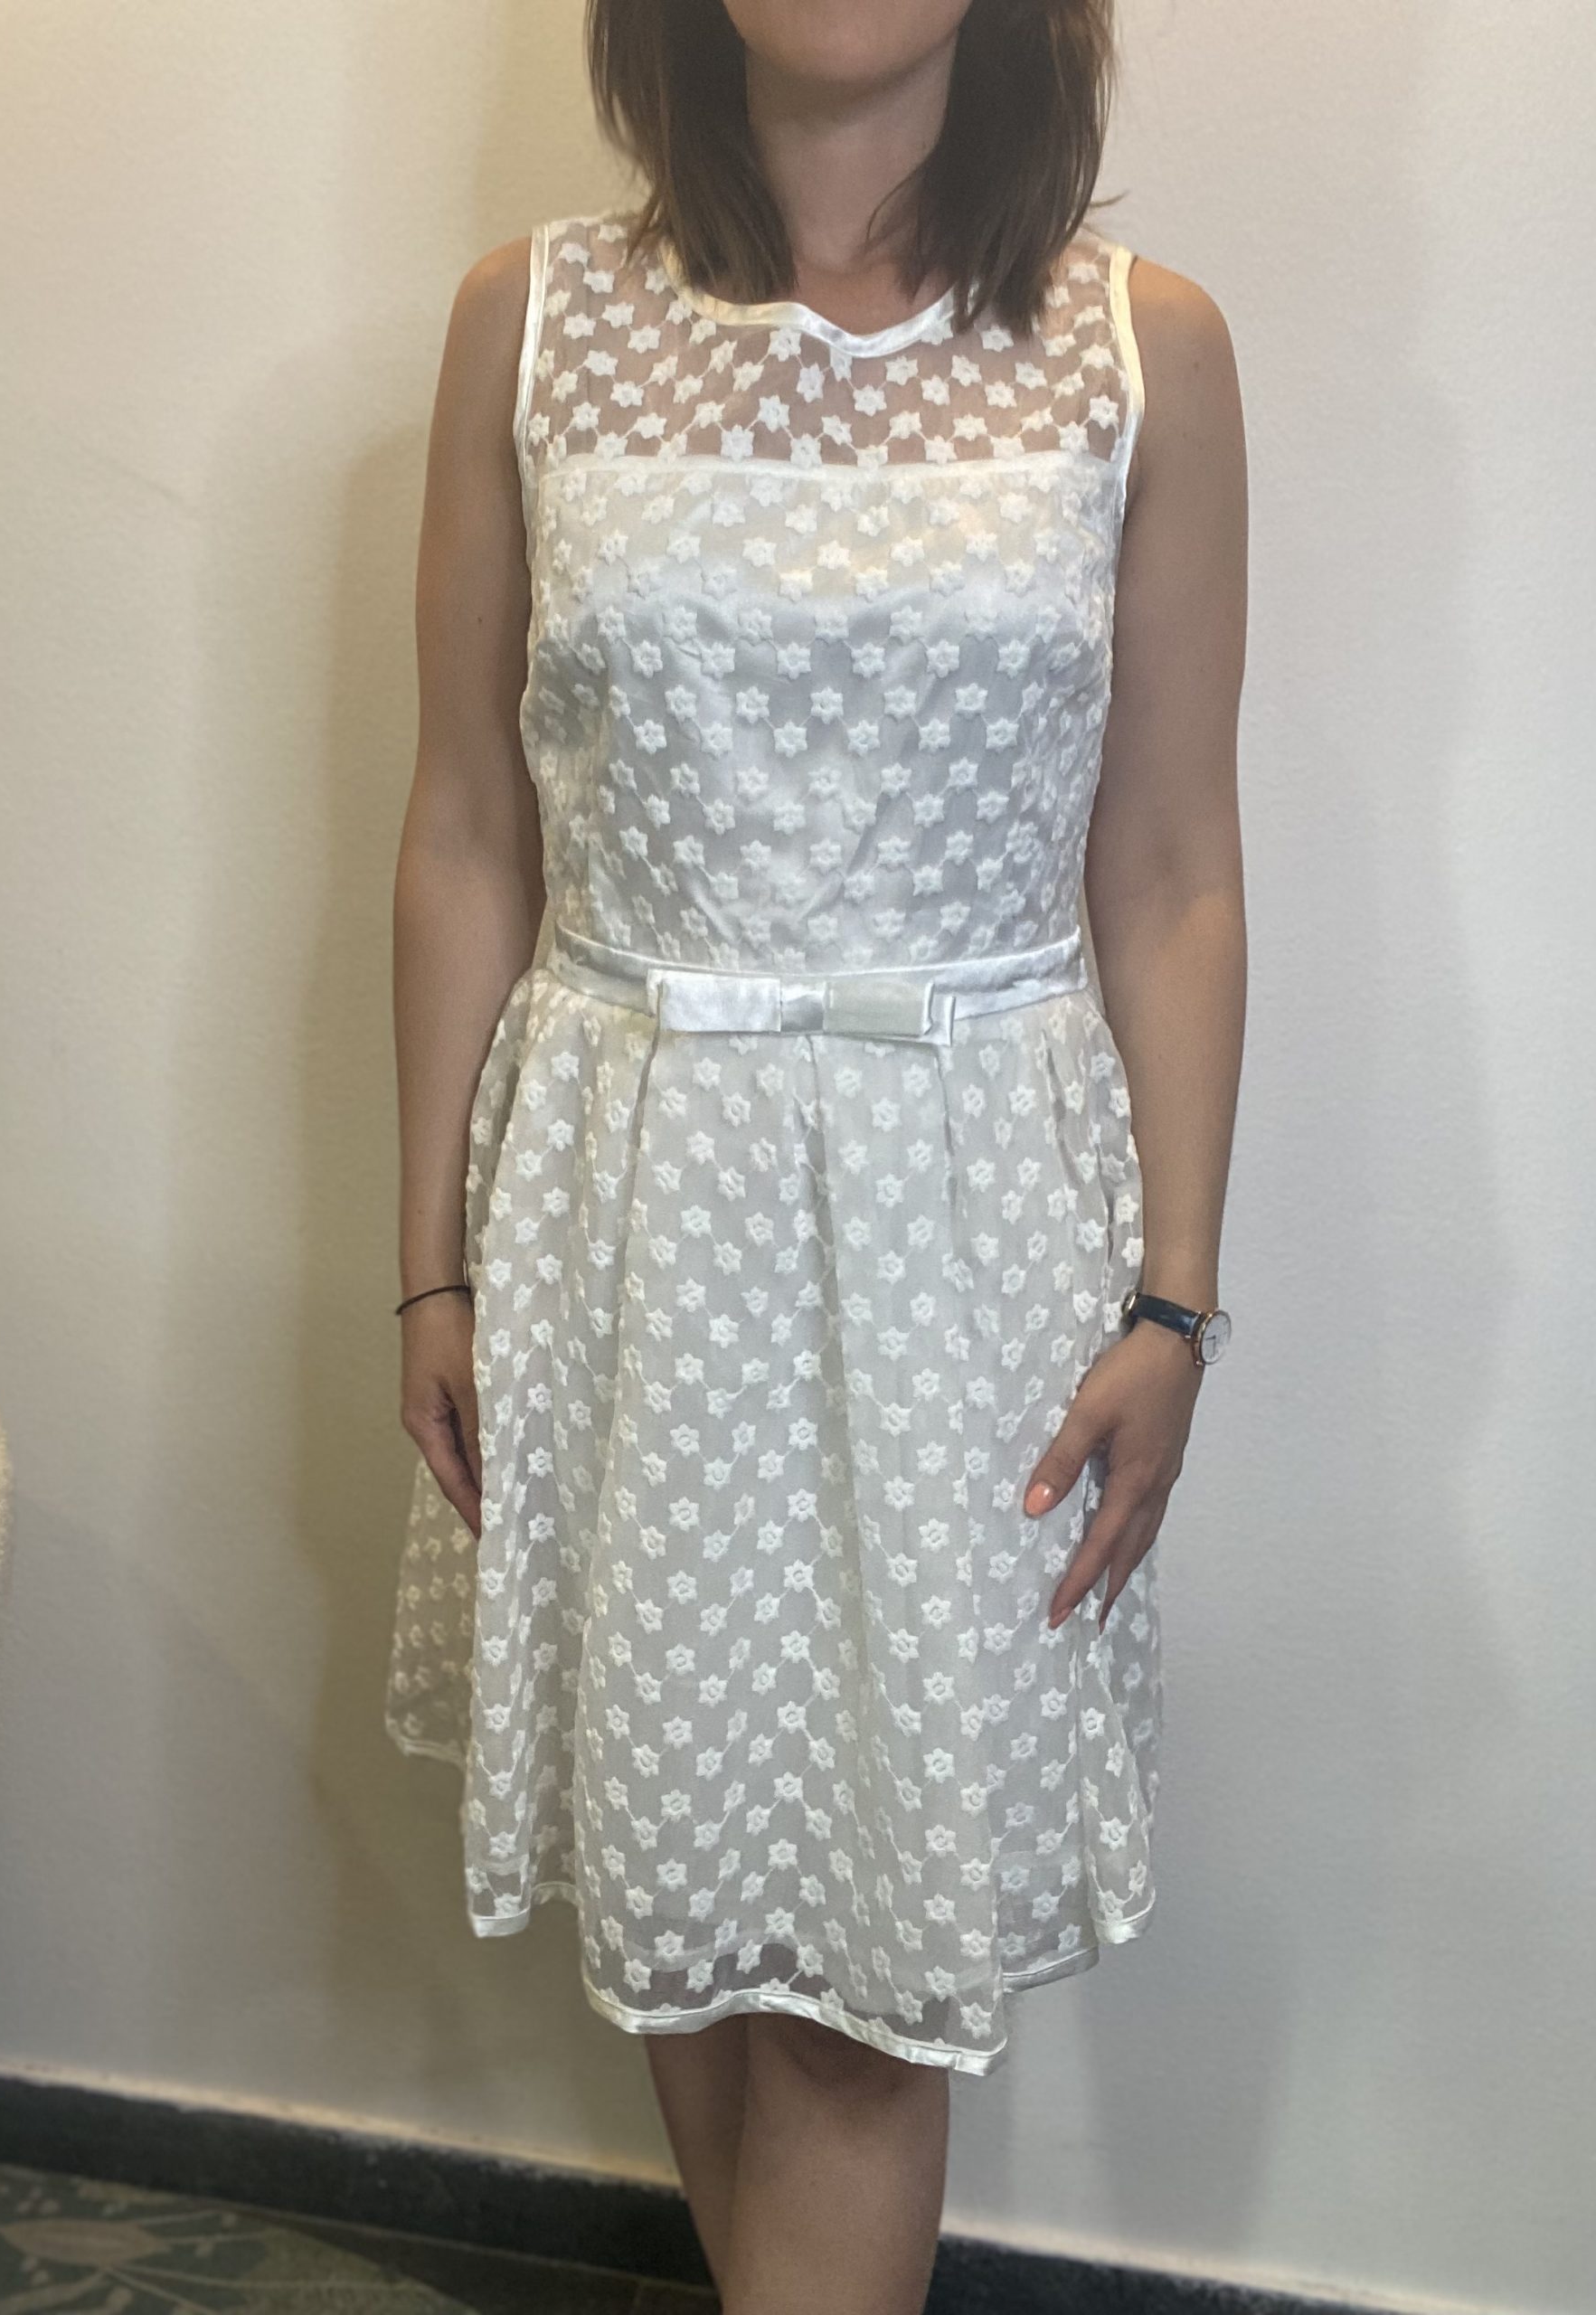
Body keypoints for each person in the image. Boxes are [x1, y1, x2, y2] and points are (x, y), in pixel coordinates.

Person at [386, 1, 1247, 2306]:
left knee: (868, 1968)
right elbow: (466, 828)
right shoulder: (526, 327)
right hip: (628, 1215)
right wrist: (432, 1261)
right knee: (689, 1905)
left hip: (973, 1242)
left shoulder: (1139, 352)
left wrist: (1176, 1292)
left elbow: (1171, 864)